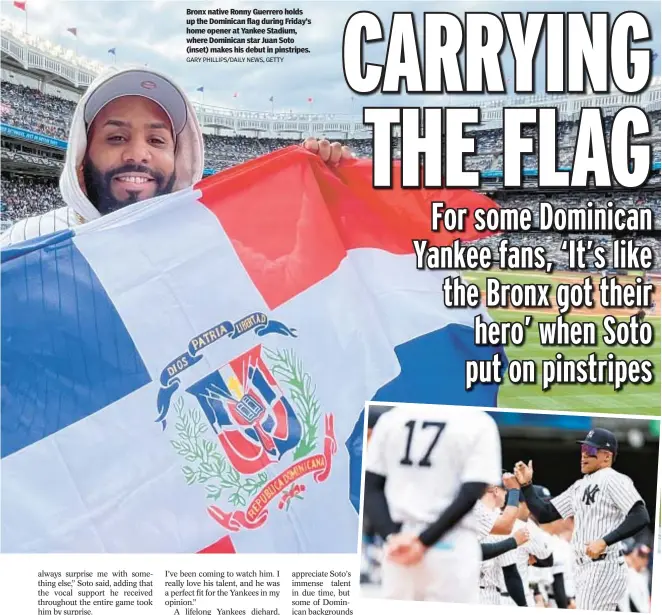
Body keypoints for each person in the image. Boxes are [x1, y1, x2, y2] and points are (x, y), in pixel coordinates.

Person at [0, 66, 352, 247]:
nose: (138, 154)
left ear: (178, 159)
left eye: (156, 140)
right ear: (82, 154)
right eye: (116, 136)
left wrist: (329, 200)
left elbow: (297, 292)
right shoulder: (26, 242)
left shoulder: (210, 247)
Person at [363, 403, 501, 603]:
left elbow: (371, 487)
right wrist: (423, 542)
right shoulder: (479, 421)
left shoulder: (391, 418)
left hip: (400, 542)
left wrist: (391, 536)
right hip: (452, 542)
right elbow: (472, 491)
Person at [512, 428, 650, 611]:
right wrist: (527, 486)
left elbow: (640, 515)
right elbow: (545, 513)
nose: (584, 455)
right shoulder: (579, 485)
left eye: (591, 451)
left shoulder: (614, 479)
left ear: (607, 456)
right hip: (584, 568)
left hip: (603, 565)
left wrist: (604, 541)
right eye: (583, 449)